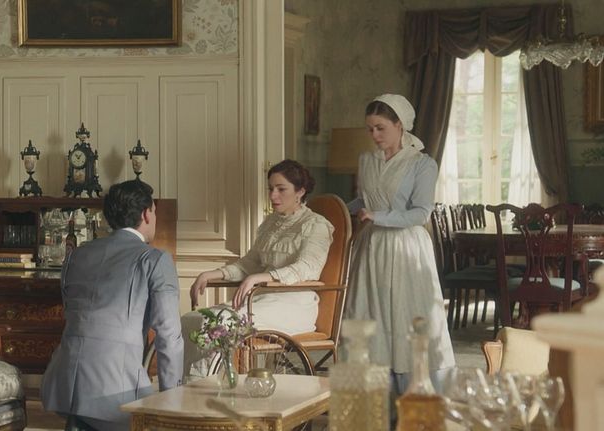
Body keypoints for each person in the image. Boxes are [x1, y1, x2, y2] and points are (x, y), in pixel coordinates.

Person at [41, 180, 183, 431]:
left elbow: (71, 313)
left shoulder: (77, 254)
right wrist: (172, 402)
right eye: (154, 211)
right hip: (115, 393)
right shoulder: (155, 259)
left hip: (62, 385)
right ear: (146, 214)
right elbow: (169, 336)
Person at [346, 94, 455, 396]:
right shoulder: (367, 161)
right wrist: (337, 208)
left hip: (406, 247)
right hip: (372, 247)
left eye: (380, 128)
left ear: (400, 125)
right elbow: (364, 200)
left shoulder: (422, 164)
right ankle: (374, 397)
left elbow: (421, 213)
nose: (374, 135)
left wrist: (377, 216)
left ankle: (415, 394)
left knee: (407, 316)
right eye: (370, 129)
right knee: (370, 314)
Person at [186, 159, 334, 377]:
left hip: (295, 304)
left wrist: (260, 277)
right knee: (194, 320)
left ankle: (206, 385)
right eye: (270, 189)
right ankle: (191, 385)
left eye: (281, 189)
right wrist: (212, 274)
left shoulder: (316, 225)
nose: (273, 195)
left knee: (219, 322)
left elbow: (307, 268)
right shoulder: (270, 224)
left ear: (300, 191)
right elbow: (249, 263)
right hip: (262, 300)